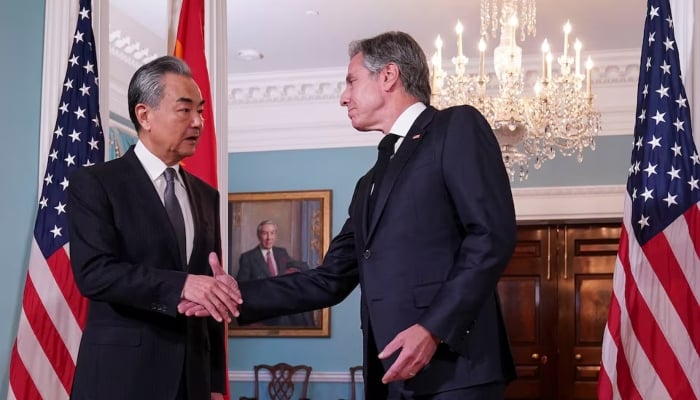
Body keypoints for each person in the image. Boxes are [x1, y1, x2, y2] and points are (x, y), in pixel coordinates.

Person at [190, 31, 517, 399]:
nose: (344, 96)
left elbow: (492, 235)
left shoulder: (455, 127)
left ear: (389, 75)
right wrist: (235, 295)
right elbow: (329, 279)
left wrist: (432, 328)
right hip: (391, 377)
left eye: (351, 81)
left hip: (457, 372)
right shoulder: (369, 183)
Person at [67, 56, 241, 400]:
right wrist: (183, 285)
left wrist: (217, 384)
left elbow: (212, 292)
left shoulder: (207, 196)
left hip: (193, 383)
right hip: (122, 379)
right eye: (185, 110)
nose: (199, 123)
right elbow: (94, 273)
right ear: (144, 115)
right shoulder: (96, 183)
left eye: (201, 111)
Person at [236, 220, 315, 327]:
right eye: (265, 233)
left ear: (275, 235)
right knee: (283, 318)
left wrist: (294, 271)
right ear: (259, 236)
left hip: (282, 298)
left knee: (304, 310)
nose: (269, 238)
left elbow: (302, 265)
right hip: (264, 303)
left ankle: (308, 336)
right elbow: (241, 285)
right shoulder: (248, 257)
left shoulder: (281, 252)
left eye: (272, 233)